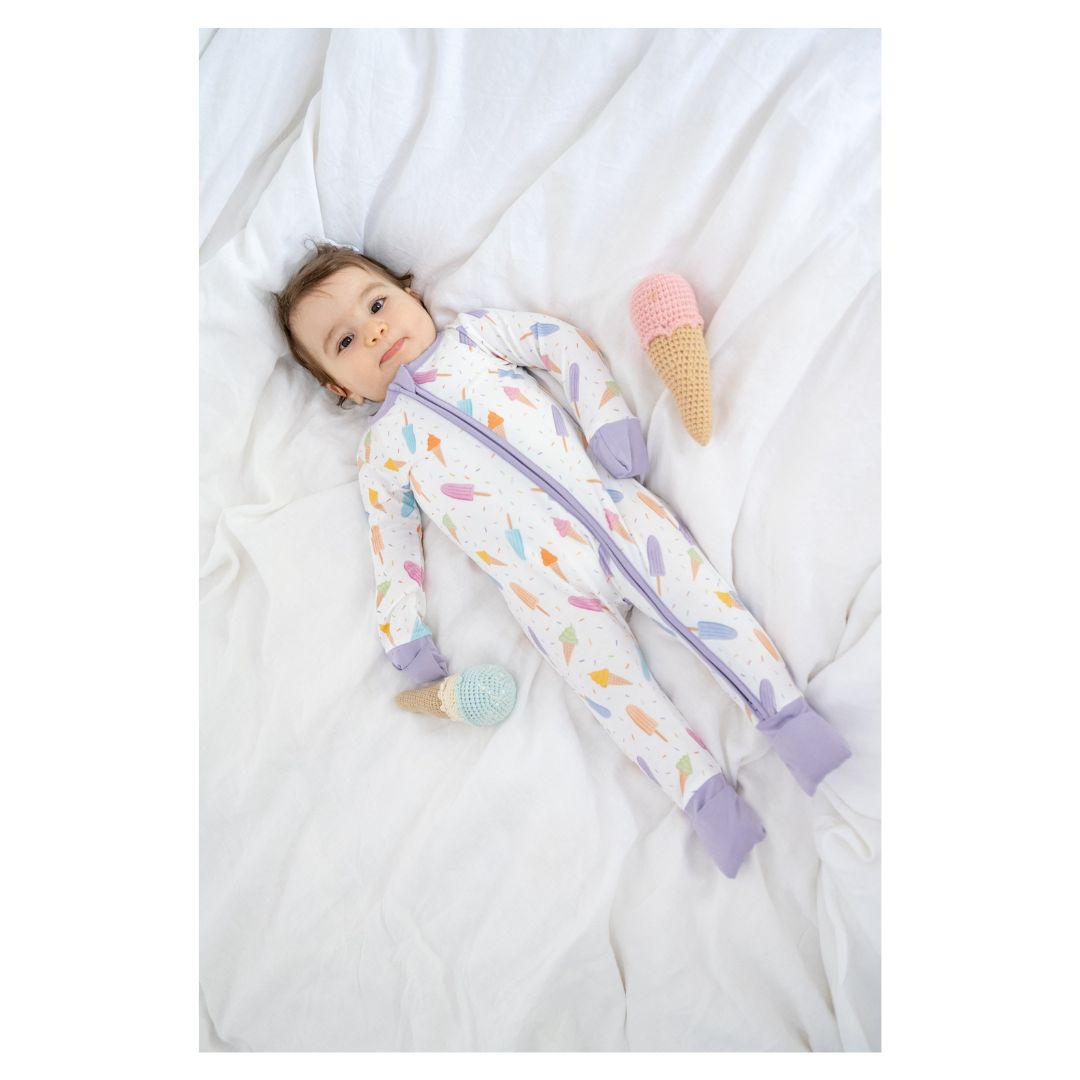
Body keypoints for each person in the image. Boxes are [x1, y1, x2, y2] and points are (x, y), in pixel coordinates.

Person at [273, 241, 851, 878]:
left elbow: (562, 344)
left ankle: (791, 722)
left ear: (411, 293)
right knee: (620, 699)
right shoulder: (382, 453)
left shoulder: (478, 338)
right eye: (345, 342)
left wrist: (605, 418)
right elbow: (392, 544)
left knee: (706, 606)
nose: (374, 329)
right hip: (546, 596)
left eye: (378, 303)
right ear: (339, 387)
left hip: (613, 514)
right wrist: (402, 629)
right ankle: (708, 803)